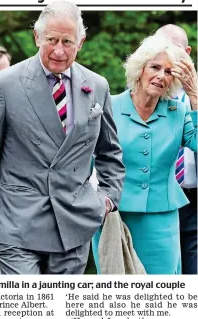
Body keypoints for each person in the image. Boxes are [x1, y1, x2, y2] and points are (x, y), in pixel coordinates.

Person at [0, 0, 125, 275]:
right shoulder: (5, 84)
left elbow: (110, 153)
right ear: (36, 37)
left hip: (74, 222)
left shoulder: (98, 86)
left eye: (67, 41)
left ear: (81, 42)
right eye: (51, 39)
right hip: (16, 223)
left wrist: (107, 198)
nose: (58, 50)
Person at [92, 35, 197, 274]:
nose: (161, 75)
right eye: (155, 67)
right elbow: (85, 159)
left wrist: (195, 97)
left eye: (169, 72)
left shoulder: (178, 111)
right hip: (113, 216)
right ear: (140, 69)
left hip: (162, 221)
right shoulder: (108, 105)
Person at [155, 24, 198, 275]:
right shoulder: (153, 90)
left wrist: (194, 95)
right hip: (163, 196)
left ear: (188, 52)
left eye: (172, 50)